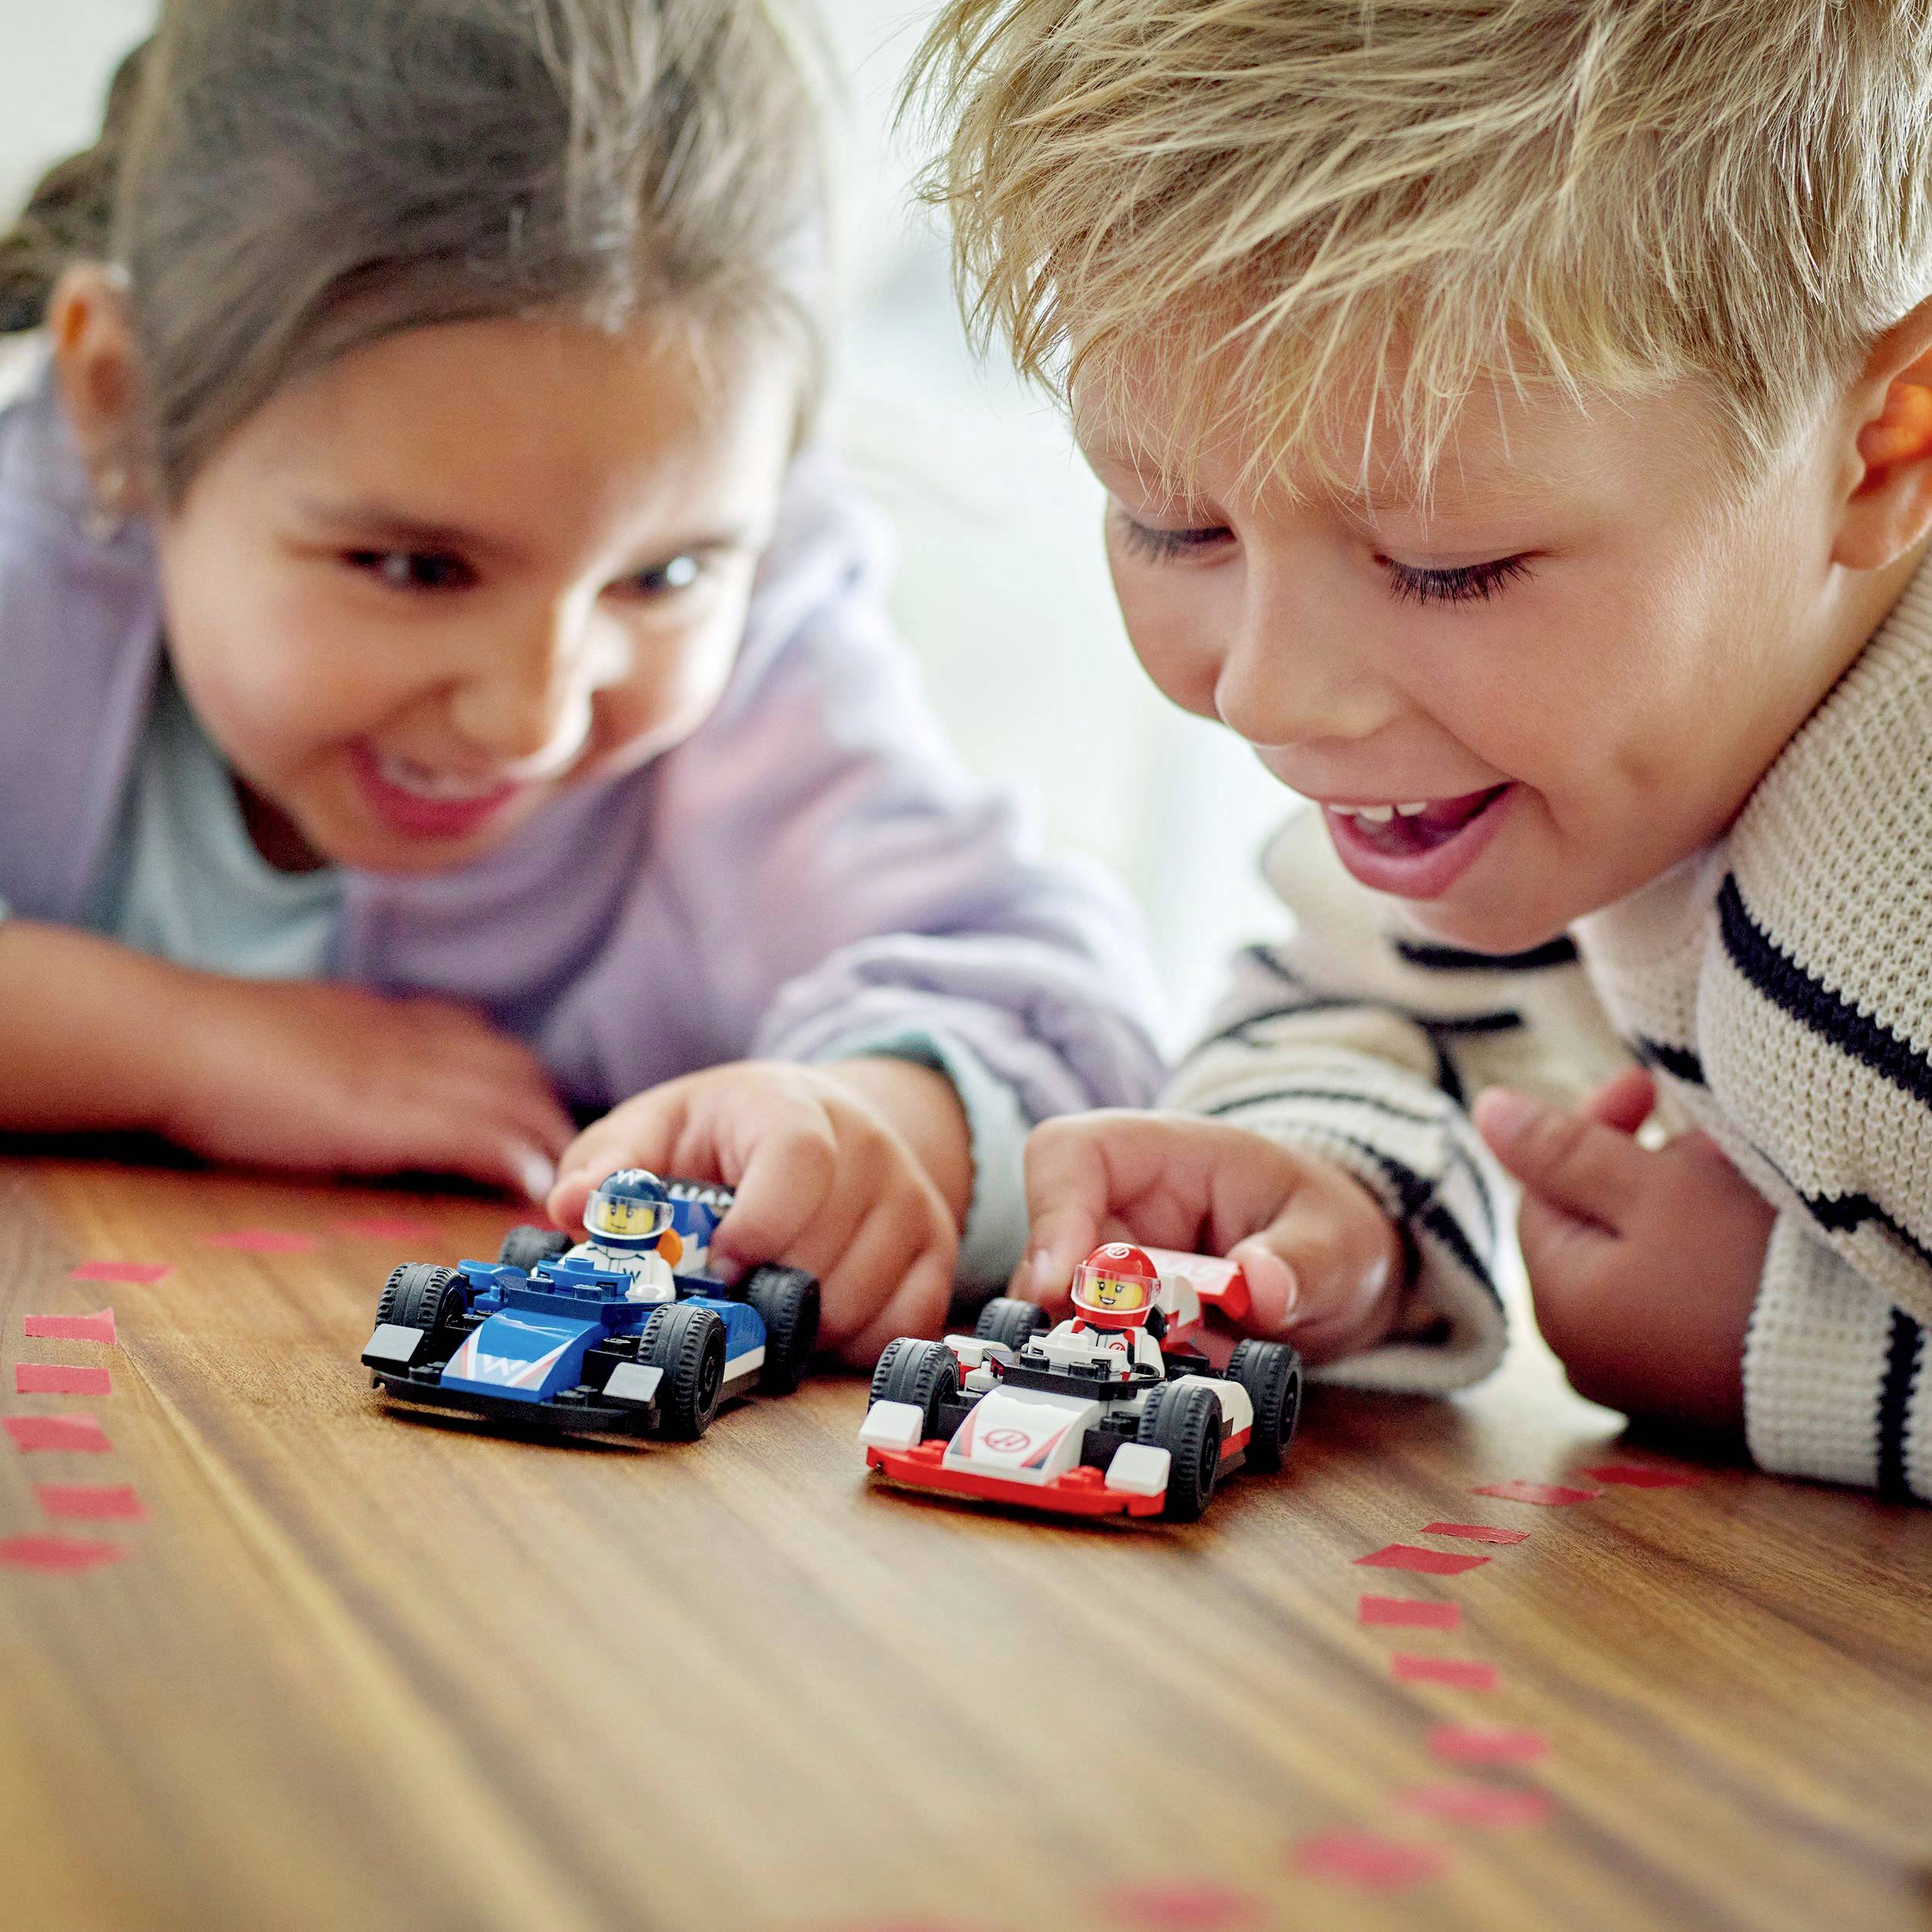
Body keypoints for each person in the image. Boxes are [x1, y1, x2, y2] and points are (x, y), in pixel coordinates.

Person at [0, 0, 1166, 1364]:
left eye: (663, 578)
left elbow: (1059, 1011)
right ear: (118, 402)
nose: (535, 716)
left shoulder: (762, 678)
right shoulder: (28, 560)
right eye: (418, 567)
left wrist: (880, 1116)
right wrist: (184, 1047)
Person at [913, 0, 1932, 1498]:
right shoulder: (1533, 771)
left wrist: (1786, 1348)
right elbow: (1359, 983)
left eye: (1443, 566)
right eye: (1170, 524)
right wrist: (1324, 1187)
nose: (1268, 693)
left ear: (1880, 447)